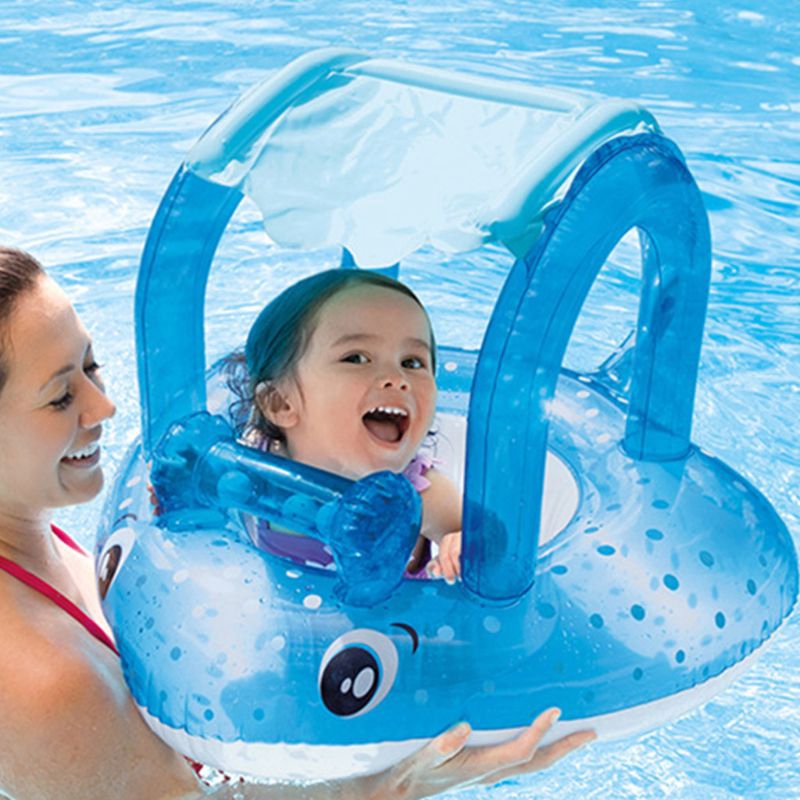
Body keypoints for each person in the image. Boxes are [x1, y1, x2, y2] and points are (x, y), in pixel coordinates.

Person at [0, 247, 595, 800]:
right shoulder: (40, 683)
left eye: (92, 365)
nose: (104, 406)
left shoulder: (27, 526)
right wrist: (391, 784)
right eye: (59, 397)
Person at [234, 269, 464, 582]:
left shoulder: (423, 495)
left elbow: (489, 547)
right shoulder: (254, 464)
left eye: (412, 362)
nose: (397, 379)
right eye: (356, 358)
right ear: (281, 403)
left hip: (395, 630)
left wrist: (462, 543)